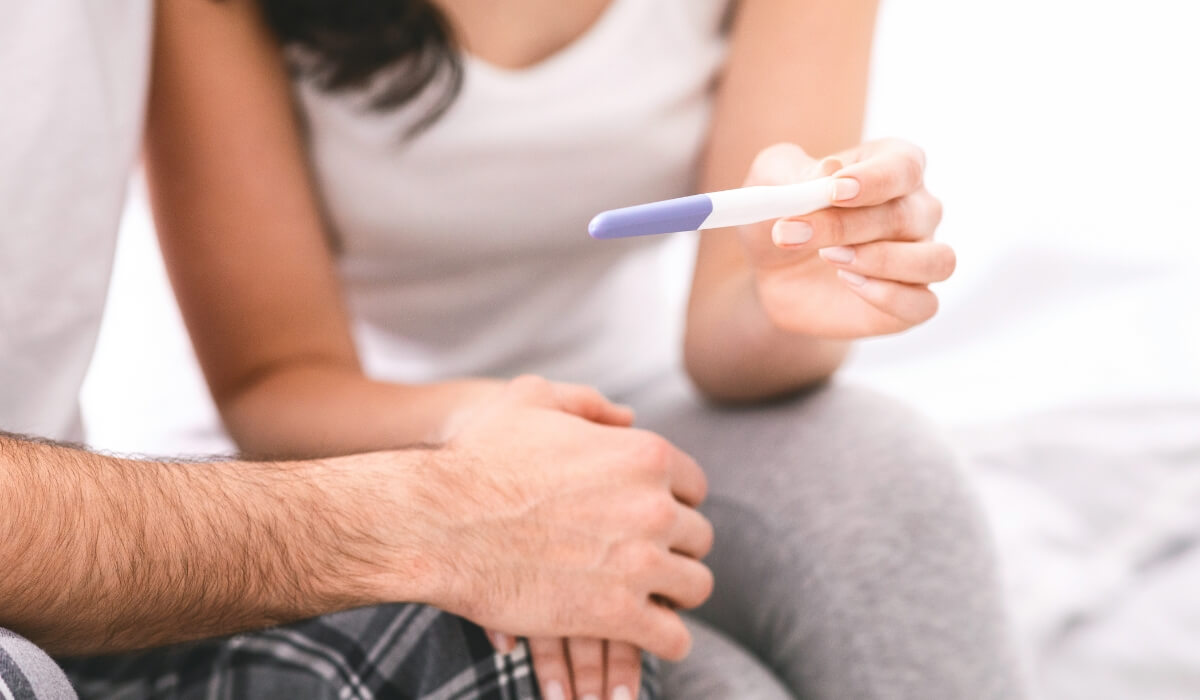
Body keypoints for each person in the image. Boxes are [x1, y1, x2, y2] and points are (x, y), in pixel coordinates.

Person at [122, 0, 1032, 698]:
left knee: (891, 483)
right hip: (349, 454)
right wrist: (503, 455)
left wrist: (788, 294)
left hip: (631, 402)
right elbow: (271, 382)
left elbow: (726, 341)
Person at [0, 3, 713, 699]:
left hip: (84, 570)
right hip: (103, 546)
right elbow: (275, 374)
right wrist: (446, 508)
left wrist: (496, 504)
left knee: (496, 642)